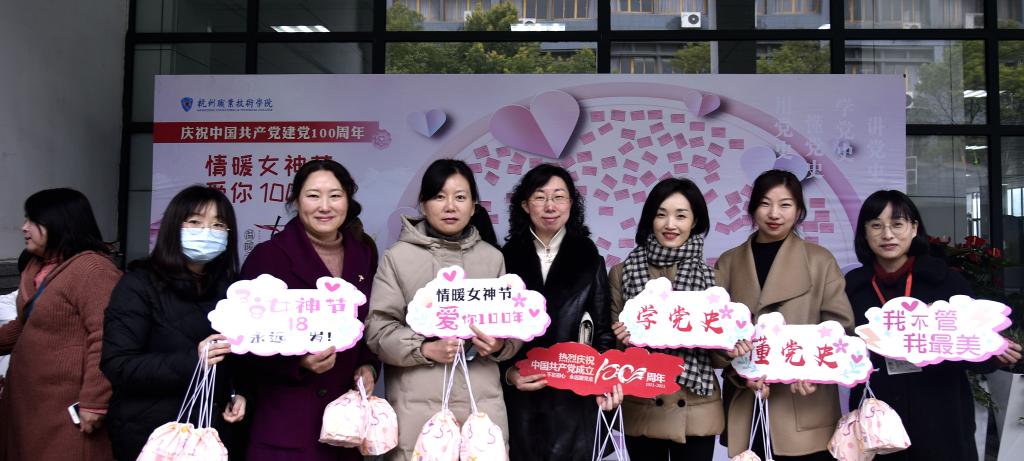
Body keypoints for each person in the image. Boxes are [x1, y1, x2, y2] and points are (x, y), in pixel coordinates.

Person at [845, 190, 1022, 461]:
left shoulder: (947, 283)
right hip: (877, 417)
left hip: (941, 415)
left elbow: (970, 346)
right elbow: (842, 347)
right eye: (876, 225)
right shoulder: (852, 287)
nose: (887, 234)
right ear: (865, 232)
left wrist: (993, 351)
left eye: (897, 224)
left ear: (914, 228)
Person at [365, 159, 521, 461]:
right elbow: (378, 330)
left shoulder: (492, 258)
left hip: (482, 411)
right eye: (439, 196)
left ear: (473, 207)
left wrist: (500, 345)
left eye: (460, 197)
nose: (450, 206)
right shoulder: (397, 258)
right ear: (423, 205)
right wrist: (424, 349)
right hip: (418, 412)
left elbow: (514, 324)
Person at [239, 160, 379, 461]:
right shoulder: (269, 258)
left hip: (344, 426)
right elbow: (244, 341)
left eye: (335, 195)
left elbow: (370, 320)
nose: (324, 206)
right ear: (296, 201)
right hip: (287, 424)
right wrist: (297, 363)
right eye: (313, 195)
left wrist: (368, 365)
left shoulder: (363, 256)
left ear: (348, 201)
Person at [716, 169, 854, 460]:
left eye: (785, 204)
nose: (774, 214)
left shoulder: (820, 261)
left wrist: (816, 372)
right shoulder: (729, 263)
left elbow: (841, 329)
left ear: (799, 210)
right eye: (765, 204)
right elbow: (715, 337)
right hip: (749, 401)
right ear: (752, 208)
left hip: (804, 405)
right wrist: (740, 372)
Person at [102, 185, 247, 460]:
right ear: (172, 227)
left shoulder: (232, 288)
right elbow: (118, 364)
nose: (207, 232)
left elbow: (239, 361)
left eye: (218, 225)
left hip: (213, 435)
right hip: (152, 435)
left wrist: (238, 393)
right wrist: (193, 359)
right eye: (195, 222)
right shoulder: (138, 284)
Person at [500, 164, 622, 461]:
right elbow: (491, 333)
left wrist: (603, 381)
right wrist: (508, 374)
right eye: (540, 197)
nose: (550, 206)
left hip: (574, 401)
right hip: (520, 399)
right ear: (525, 205)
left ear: (571, 203)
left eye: (559, 197)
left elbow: (603, 332)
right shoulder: (503, 259)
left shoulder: (589, 257)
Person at [609, 177, 730, 460]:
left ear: (695, 221)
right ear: (650, 219)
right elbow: (612, 349)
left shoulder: (713, 278)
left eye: (681, 215)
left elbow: (718, 357)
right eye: (661, 214)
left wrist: (728, 348)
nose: (670, 224)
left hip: (696, 407)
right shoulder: (622, 272)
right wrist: (622, 340)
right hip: (642, 404)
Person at [0, 188, 121, 460]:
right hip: (30, 403)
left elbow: (105, 336)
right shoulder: (35, 266)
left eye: (33, 220)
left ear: (59, 222)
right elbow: (25, 326)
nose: (24, 228)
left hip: (67, 408)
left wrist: (95, 401)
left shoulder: (93, 270)